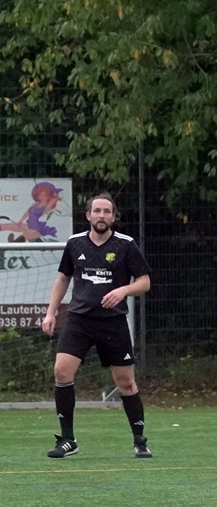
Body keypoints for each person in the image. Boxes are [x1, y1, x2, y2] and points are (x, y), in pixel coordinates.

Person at [41, 192, 152, 459]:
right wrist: (50, 313)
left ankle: (140, 440)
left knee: (125, 383)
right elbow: (63, 278)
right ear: (88, 215)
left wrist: (123, 290)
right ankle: (68, 440)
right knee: (61, 372)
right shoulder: (75, 243)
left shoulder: (125, 245)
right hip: (78, 321)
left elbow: (145, 282)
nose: (102, 216)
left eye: (107, 211)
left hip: (112, 323)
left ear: (114, 217)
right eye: (97, 211)